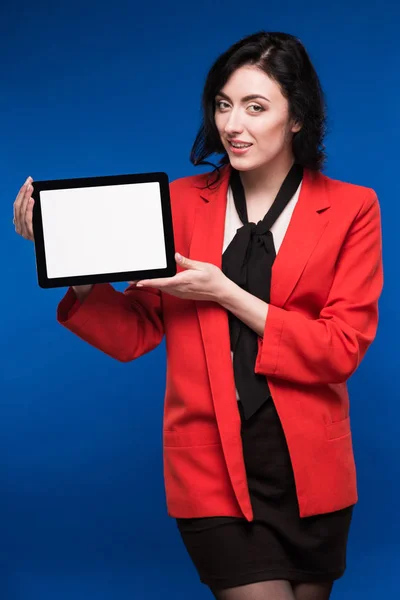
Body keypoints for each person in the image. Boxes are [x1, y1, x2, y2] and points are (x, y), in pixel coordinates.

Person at [13, 31, 383, 600]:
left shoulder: (353, 208)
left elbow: (340, 349)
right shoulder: (182, 202)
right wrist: (72, 266)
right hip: (210, 467)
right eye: (223, 104)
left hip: (310, 469)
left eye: (256, 107)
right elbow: (138, 330)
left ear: (298, 119)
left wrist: (225, 292)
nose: (233, 124)